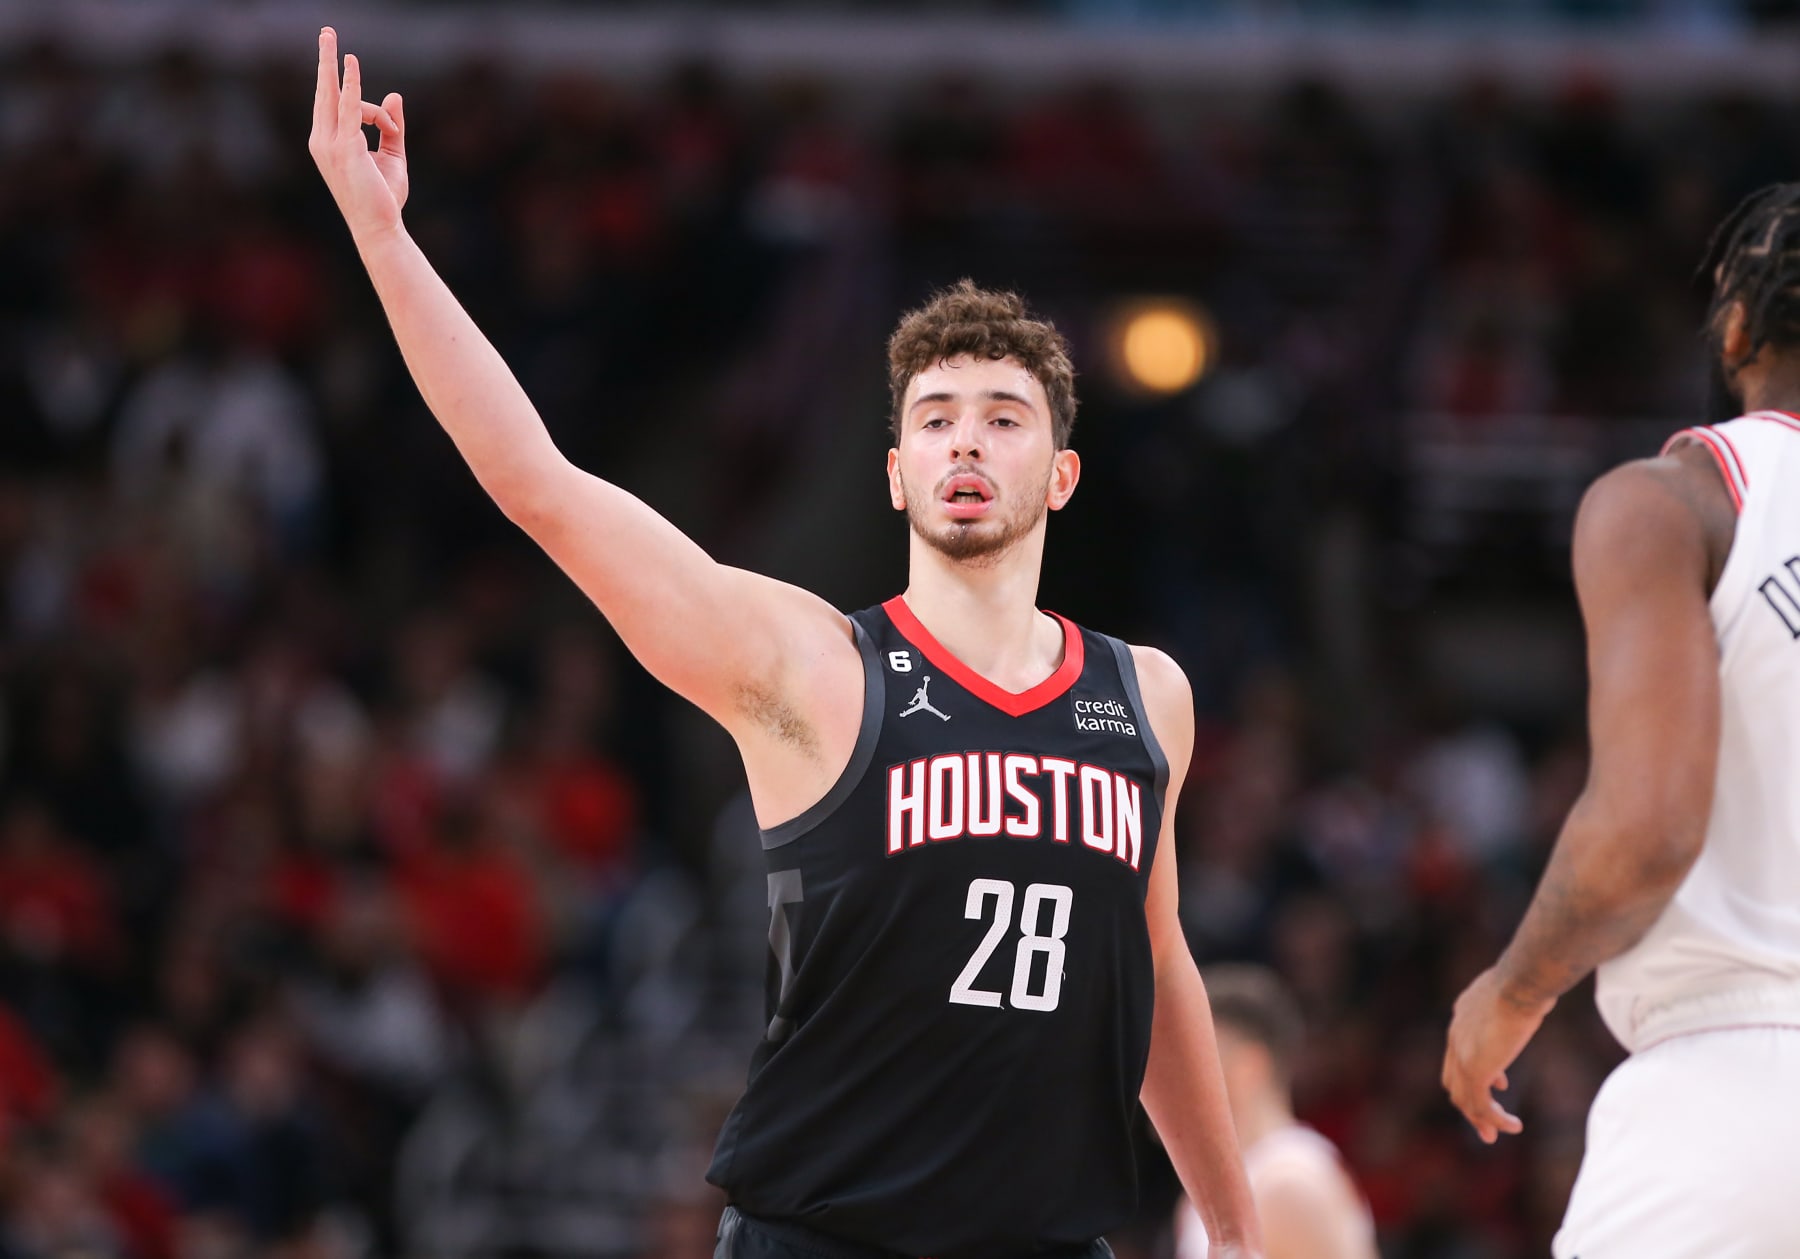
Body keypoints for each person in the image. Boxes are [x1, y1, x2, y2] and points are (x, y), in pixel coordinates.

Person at [306, 29, 1263, 1259]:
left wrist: (1234, 1230)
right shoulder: (813, 665)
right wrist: (387, 239)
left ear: (1063, 472)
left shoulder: (1151, 696)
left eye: (1004, 418)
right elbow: (537, 482)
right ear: (895, 470)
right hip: (826, 1237)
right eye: (937, 419)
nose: (967, 442)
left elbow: (1157, 958)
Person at [1443, 183, 1800, 1257]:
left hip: (1739, 1089)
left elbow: (1648, 826)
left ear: (1735, 329)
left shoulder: (1679, 499)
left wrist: (1514, 987)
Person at [1172, 966, 1376, 1259]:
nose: (1175, 1077)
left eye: (1191, 1058)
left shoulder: (1290, 1182)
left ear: (1247, 1067)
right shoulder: (1206, 1190)